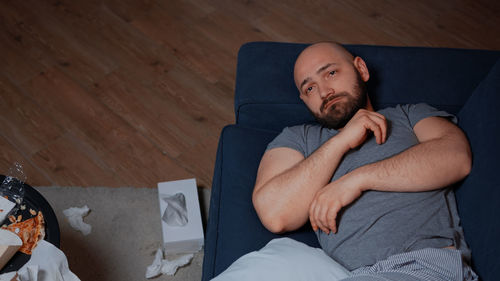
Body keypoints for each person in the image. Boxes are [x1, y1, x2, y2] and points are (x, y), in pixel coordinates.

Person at [251, 42, 478, 280]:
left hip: (424, 265)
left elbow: (456, 157)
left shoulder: (409, 115)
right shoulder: (297, 139)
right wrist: (342, 141)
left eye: (331, 73)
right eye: (309, 88)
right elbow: (275, 214)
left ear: (361, 69)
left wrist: (356, 181)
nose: (324, 92)